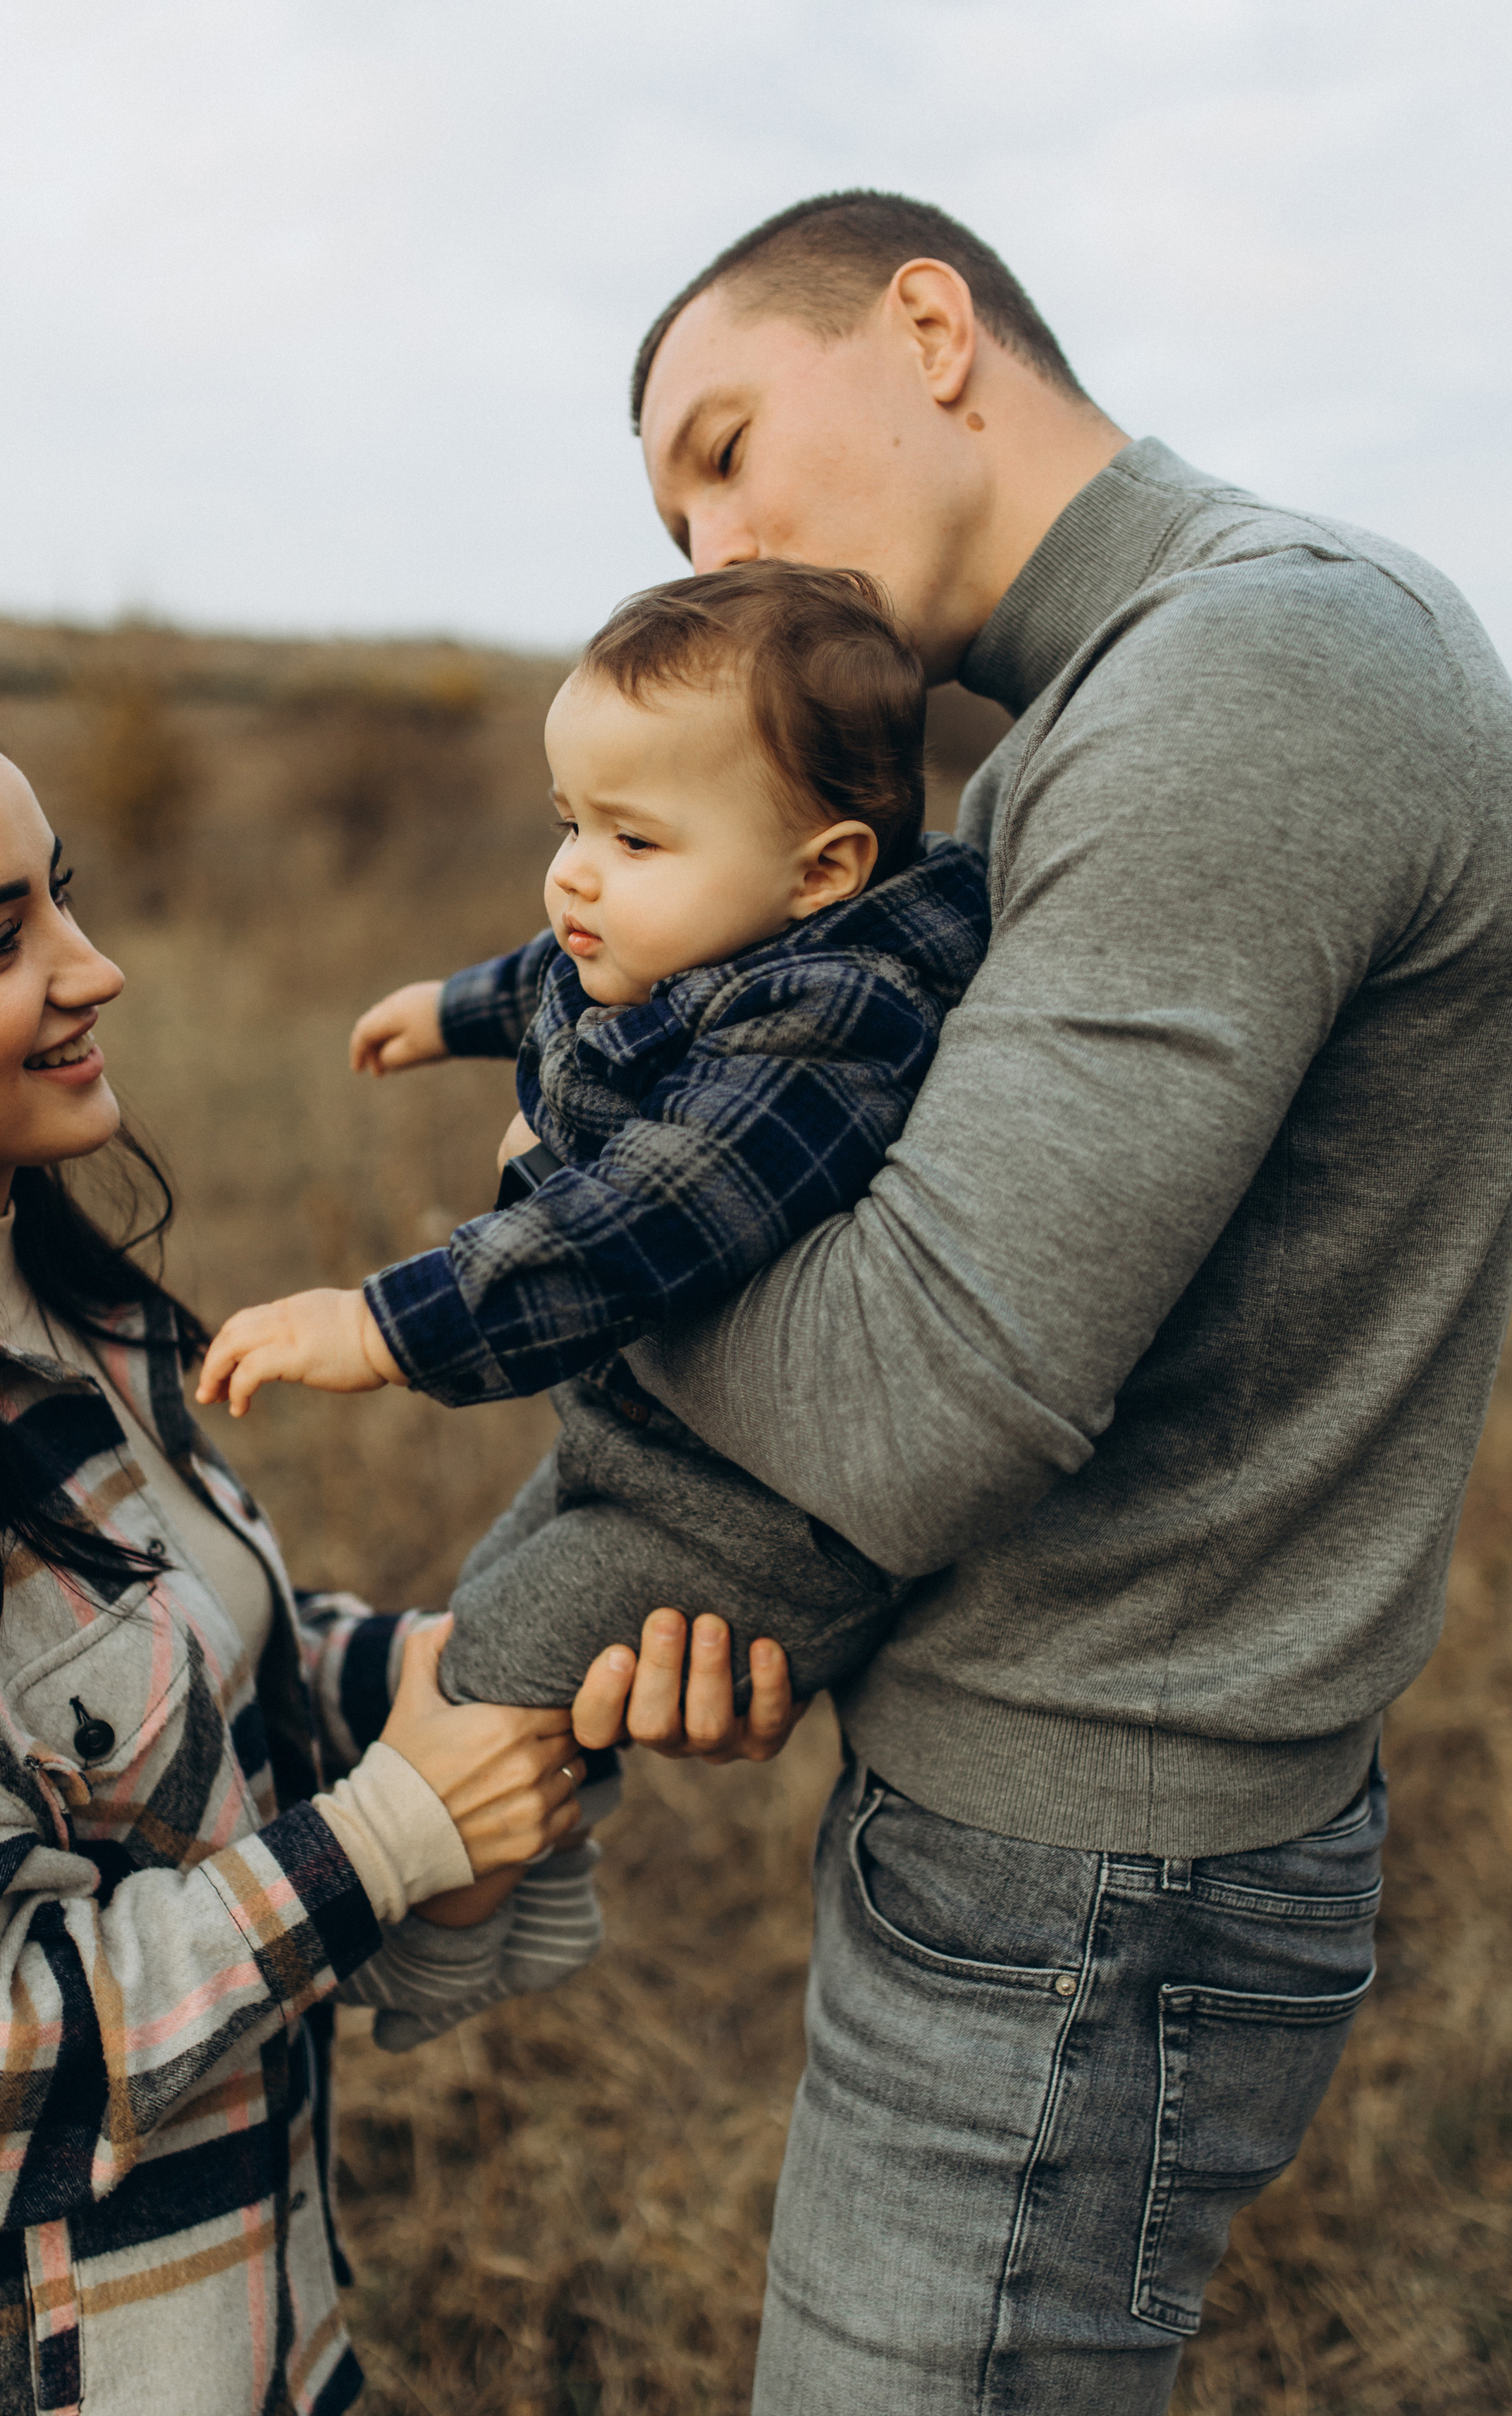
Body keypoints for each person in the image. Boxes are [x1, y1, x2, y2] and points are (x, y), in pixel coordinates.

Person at [615, 191, 1512, 2416]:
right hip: (1037, 1816)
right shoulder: (1112, 716)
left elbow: (924, 1390)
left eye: (725, 453)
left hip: (1088, 1883)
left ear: (931, 328)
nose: (720, 557)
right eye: (673, 531)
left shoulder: (1256, 676)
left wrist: (564, 1236)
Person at [0, 671, 789, 2416]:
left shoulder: (60, 1300)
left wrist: (507, 1673)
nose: (94, 968)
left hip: (224, 2353)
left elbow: (219, 1683)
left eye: (62, 895)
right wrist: (397, 1831)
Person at [196, 563, 988, 1722]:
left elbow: (638, 1226)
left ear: (823, 870)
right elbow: (558, 970)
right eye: (571, 821)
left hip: (753, 1522)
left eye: (635, 840)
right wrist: (447, 1010)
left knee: (489, 1678)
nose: (574, 871)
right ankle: (496, 1876)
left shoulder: (831, 1025)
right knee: (471, 1614)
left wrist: (382, 1325)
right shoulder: (702, 933)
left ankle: (480, 1897)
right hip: (640, 1442)